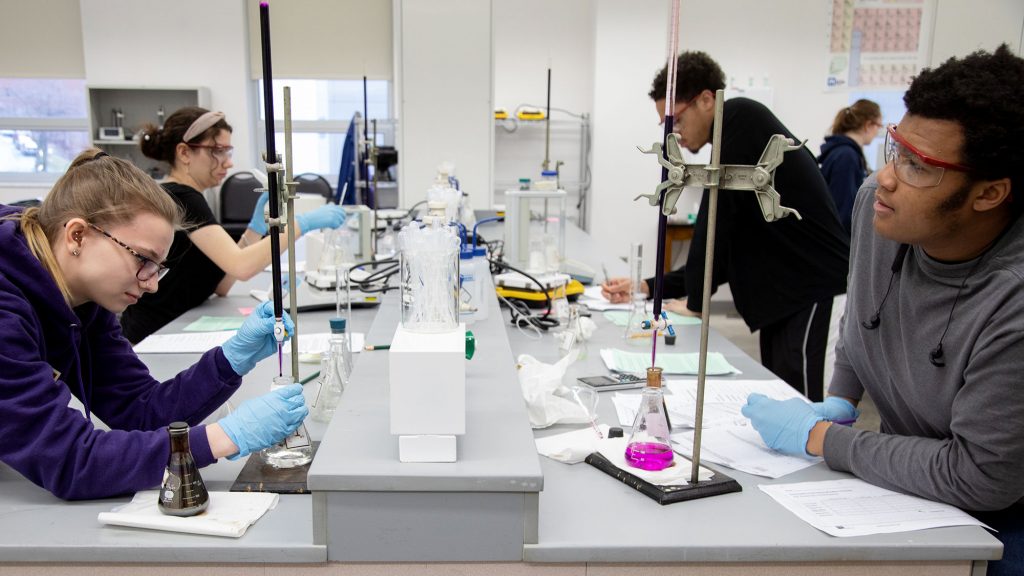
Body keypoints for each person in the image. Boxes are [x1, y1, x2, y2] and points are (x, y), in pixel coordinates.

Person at [741, 46, 1024, 575]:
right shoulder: (880, 205)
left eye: (919, 166)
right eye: (896, 148)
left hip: (1003, 509)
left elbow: (984, 478)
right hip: (916, 479)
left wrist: (820, 438)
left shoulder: (1012, 299)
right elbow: (862, 316)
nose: (888, 176)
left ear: (989, 194)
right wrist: (840, 401)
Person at [0, 149, 308, 500]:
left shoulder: (87, 301)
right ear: (77, 236)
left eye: (158, 266)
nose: (153, 283)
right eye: (143, 259)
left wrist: (230, 361)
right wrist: (223, 438)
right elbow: (70, 459)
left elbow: (141, 410)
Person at [602, 51, 850, 401]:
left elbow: (713, 219)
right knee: (786, 404)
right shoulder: (735, 135)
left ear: (706, 99)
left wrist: (696, 303)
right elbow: (719, 255)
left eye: (676, 119)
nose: (674, 133)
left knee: (810, 411)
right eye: (666, 126)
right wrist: (646, 286)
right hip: (785, 300)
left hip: (815, 294)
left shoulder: (740, 118)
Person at [119, 107, 347, 343]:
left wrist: (255, 228)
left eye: (228, 152)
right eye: (218, 151)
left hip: (173, 328)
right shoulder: (182, 198)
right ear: (184, 152)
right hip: (151, 339)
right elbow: (242, 267)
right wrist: (302, 224)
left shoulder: (184, 196)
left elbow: (222, 284)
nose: (228, 163)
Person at [818, 99, 883, 234]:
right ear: (868, 125)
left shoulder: (844, 152)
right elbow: (843, 209)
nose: (878, 132)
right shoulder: (846, 156)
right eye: (879, 126)